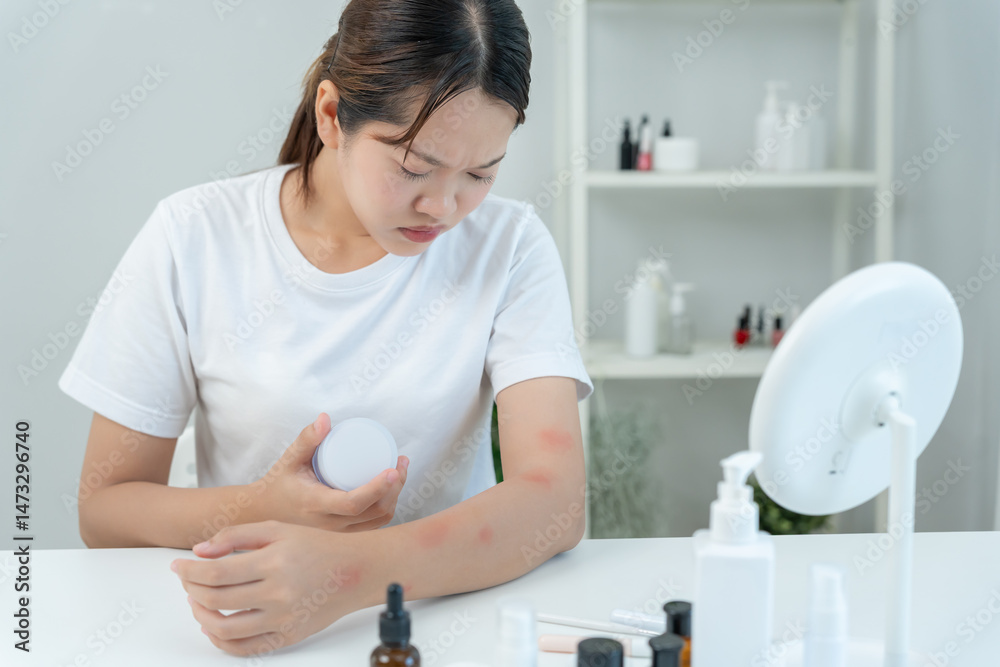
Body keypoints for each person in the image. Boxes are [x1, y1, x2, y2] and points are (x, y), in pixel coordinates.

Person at [58, 0, 593, 657]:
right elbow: (105, 510)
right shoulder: (193, 236)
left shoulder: (508, 246)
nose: (443, 206)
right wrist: (264, 505)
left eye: (481, 173)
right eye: (414, 166)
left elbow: (556, 503)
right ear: (332, 114)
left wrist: (351, 575)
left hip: (451, 624)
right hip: (246, 625)